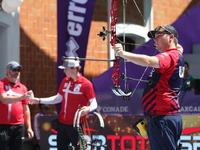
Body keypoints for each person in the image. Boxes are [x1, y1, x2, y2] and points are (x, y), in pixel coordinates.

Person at [113, 25, 184, 150]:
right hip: (165, 117)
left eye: (159, 36)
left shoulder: (170, 56)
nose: (155, 40)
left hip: (162, 118)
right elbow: (179, 47)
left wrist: (123, 54)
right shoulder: (176, 53)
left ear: (171, 37)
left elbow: (150, 61)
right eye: (154, 37)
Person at [29, 58, 97, 150]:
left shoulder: (86, 84)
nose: (64, 71)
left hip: (77, 124)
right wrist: (39, 100)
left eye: (66, 68)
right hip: (62, 123)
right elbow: (58, 98)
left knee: (79, 148)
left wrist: (88, 109)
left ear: (74, 68)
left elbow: (94, 103)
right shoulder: (65, 81)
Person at [0, 61, 34, 150]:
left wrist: (29, 128)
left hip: (18, 126)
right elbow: (4, 99)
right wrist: (23, 96)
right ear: (7, 71)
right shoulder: (1, 84)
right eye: (14, 69)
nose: (17, 72)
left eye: (18, 70)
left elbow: (26, 109)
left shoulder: (23, 88)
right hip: (3, 125)